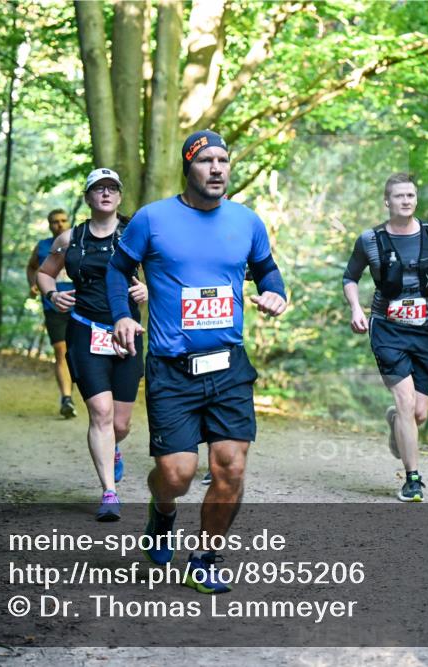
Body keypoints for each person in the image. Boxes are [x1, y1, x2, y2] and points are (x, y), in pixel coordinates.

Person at [107, 130, 287, 594]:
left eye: (223, 160)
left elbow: (266, 269)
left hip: (228, 366)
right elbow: (117, 269)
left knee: (231, 467)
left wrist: (275, 293)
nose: (217, 168)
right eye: (206, 160)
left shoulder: (246, 221)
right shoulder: (152, 219)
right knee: (176, 475)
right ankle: (162, 511)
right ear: (188, 168)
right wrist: (123, 316)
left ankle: (204, 559)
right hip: (172, 369)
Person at [36, 168, 148, 522]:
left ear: (119, 196)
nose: (105, 193)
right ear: (87, 197)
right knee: (100, 412)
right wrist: (52, 294)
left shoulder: (135, 235)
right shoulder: (70, 238)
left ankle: (114, 449)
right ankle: (109, 492)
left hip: (126, 334)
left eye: (112, 188)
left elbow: (163, 273)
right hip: (85, 330)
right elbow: (44, 272)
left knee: (120, 424)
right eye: (98, 189)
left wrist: (148, 289)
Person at [342, 173, 428, 502]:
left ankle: (397, 424)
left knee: (418, 414)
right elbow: (350, 278)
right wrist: (356, 308)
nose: (406, 200)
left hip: (424, 330)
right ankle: (412, 480)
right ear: (387, 202)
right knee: (405, 402)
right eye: (400, 196)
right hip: (387, 327)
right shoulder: (370, 240)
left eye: (411, 195)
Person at [27, 208, 77, 418]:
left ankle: (78, 392)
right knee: (61, 351)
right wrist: (33, 284)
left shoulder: (80, 242)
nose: (60, 224)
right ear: (49, 225)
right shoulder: (42, 247)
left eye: (63, 220)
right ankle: (66, 398)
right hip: (54, 306)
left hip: (81, 307)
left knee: (77, 354)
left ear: (69, 222)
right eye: (55, 221)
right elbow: (32, 267)